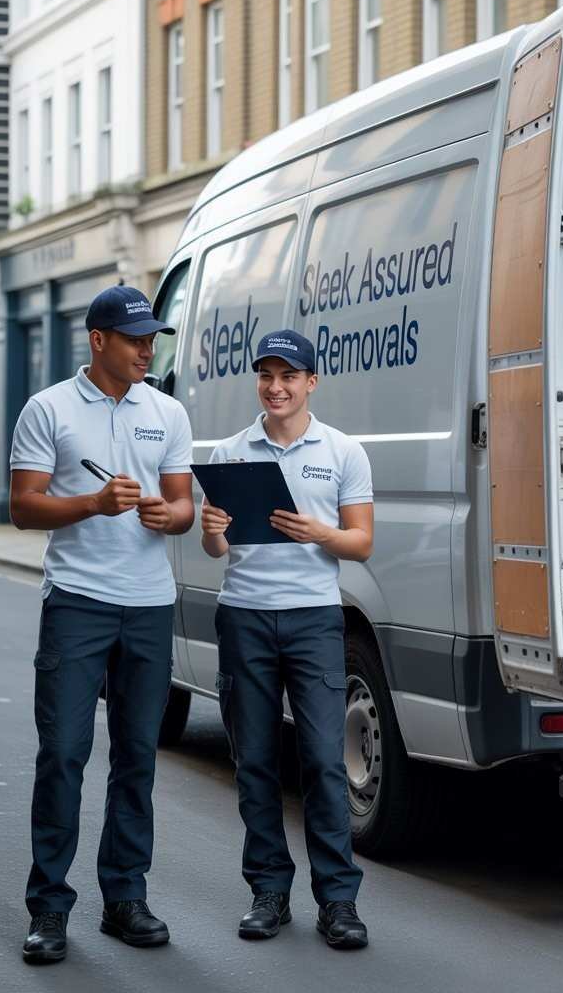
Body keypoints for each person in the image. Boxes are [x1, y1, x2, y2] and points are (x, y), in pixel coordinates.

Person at [10, 284, 195, 965]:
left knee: (137, 757)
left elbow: (183, 507)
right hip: (77, 602)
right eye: (135, 339)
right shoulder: (47, 408)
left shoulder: (168, 412)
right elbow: (23, 507)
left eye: (152, 339)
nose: (147, 350)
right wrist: (92, 502)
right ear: (98, 340)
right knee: (63, 754)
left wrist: (168, 516)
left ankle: (125, 899)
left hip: (149, 605)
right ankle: (49, 908)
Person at [200, 329, 373, 949]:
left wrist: (318, 533)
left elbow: (361, 542)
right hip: (244, 616)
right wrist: (213, 529)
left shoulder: (344, 451)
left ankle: (338, 901)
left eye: (289, 377)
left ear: (311, 382)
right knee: (254, 762)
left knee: (324, 761)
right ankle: (268, 892)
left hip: (314, 620)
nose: (276, 388)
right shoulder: (228, 453)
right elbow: (216, 548)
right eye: (267, 376)